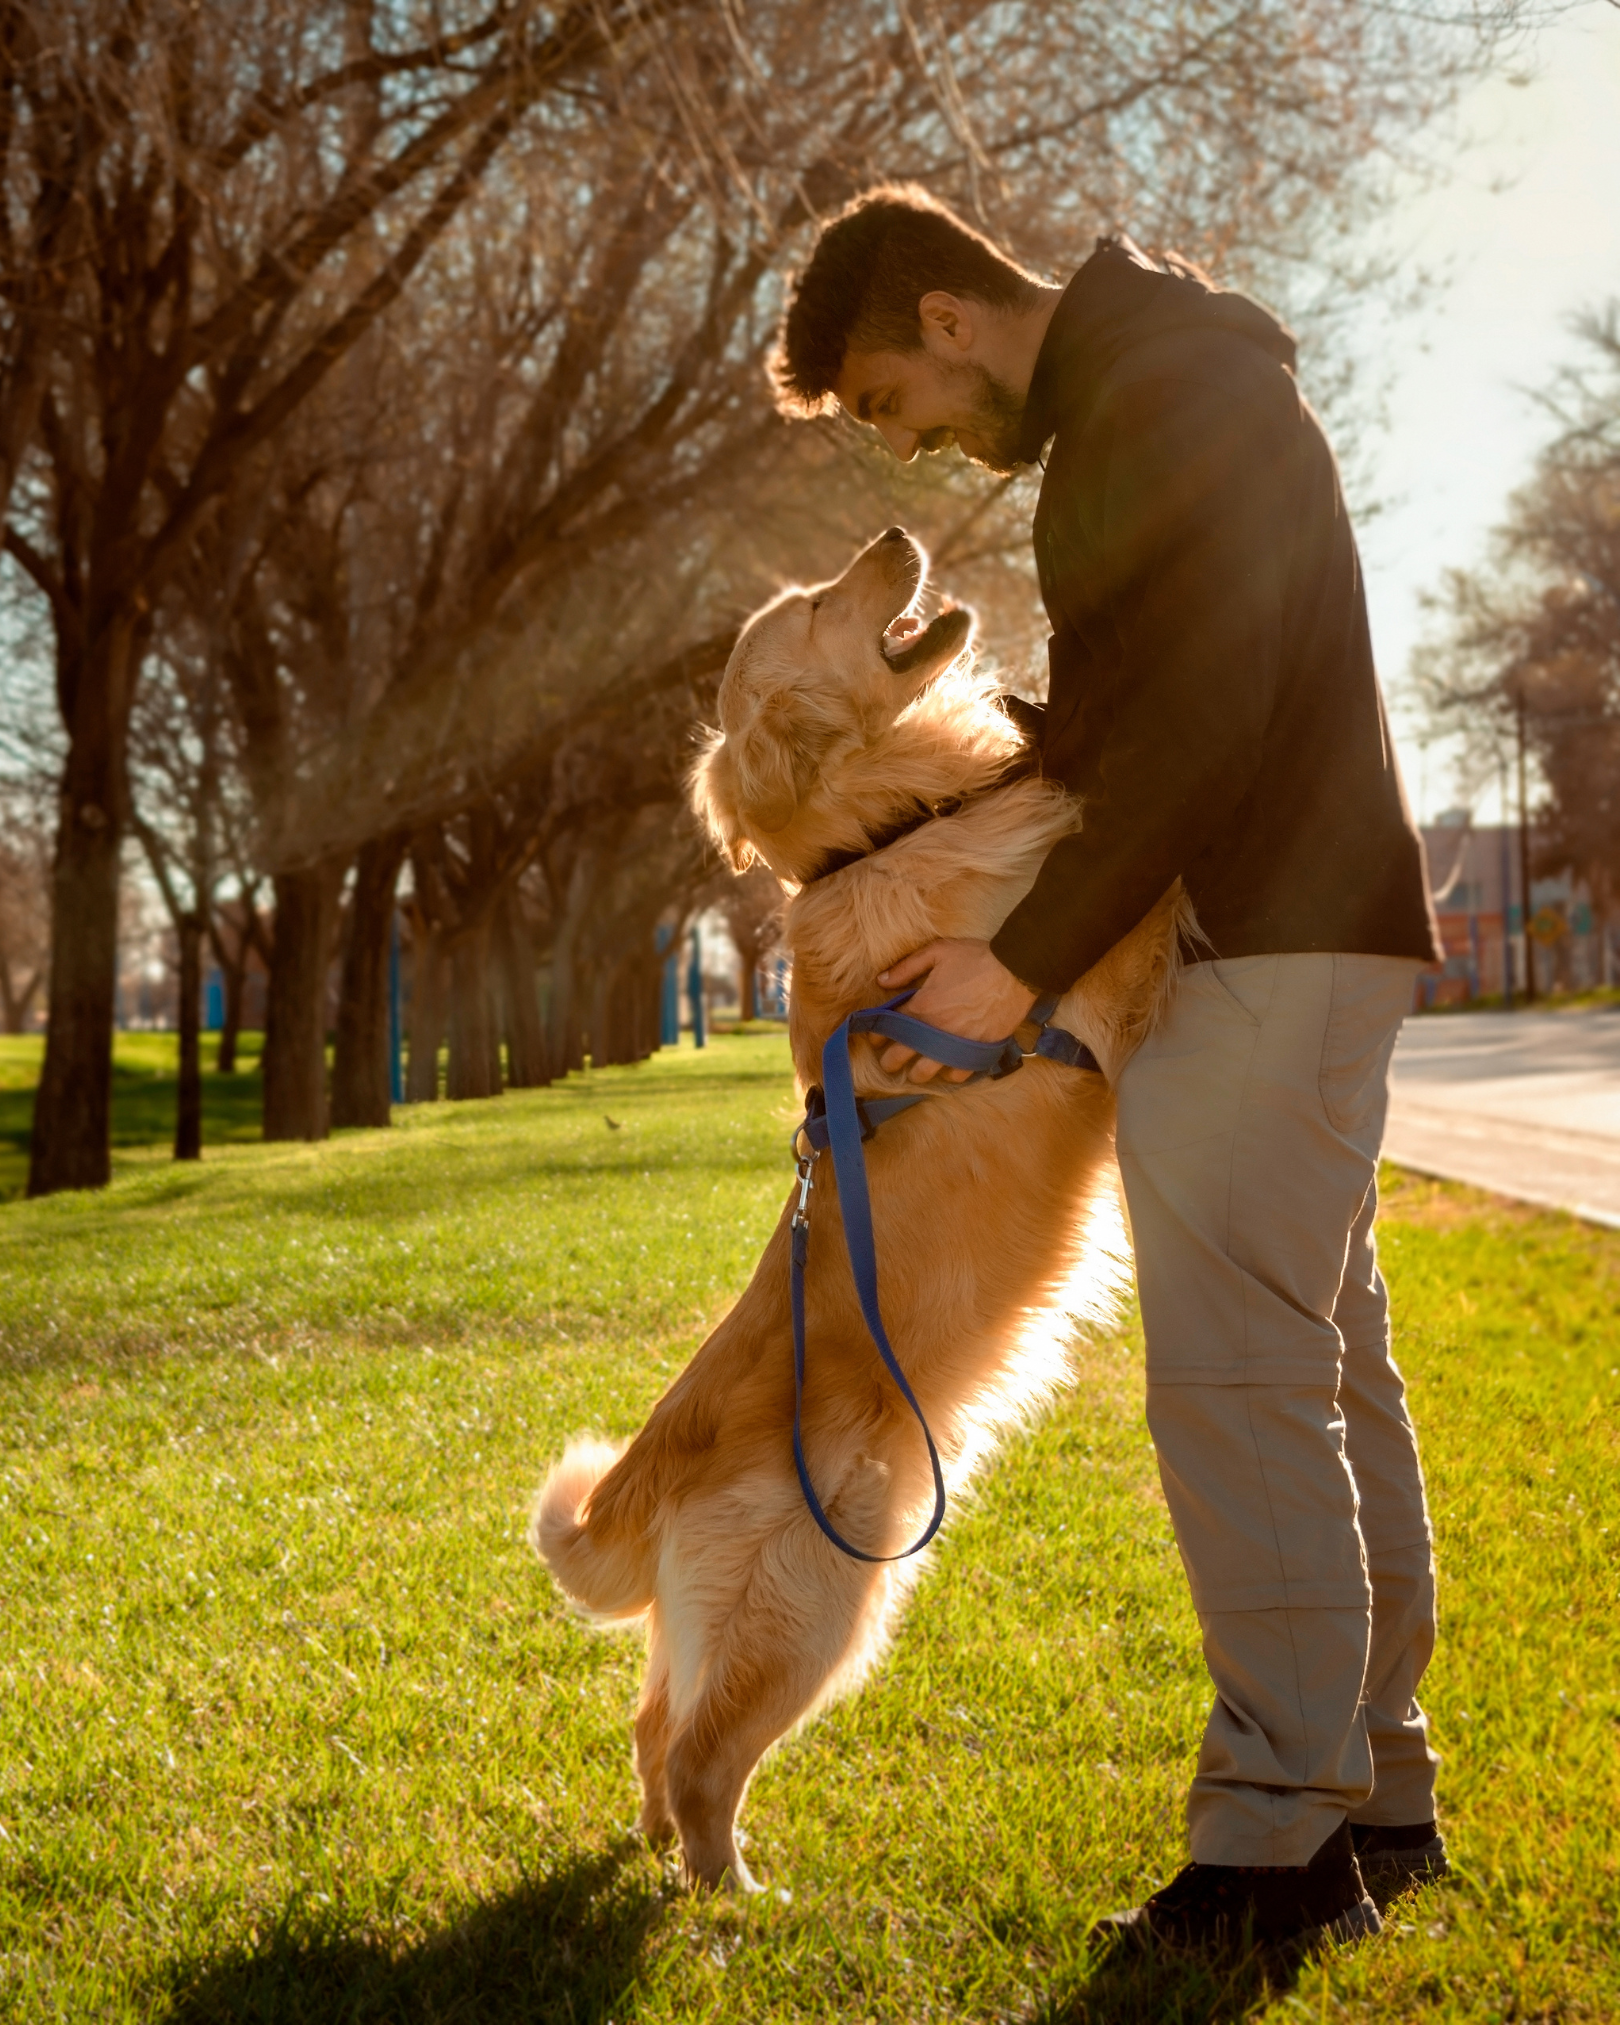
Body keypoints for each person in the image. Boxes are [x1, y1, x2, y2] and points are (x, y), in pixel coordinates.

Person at [772, 185, 1446, 1954]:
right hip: (1282, 923)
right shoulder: (1149, 396)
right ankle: (1378, 1791)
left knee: (1236, 1384)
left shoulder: (1165, 395)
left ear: (944, 317)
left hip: (1262, 927)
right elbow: (1131, 719)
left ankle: (1274, 1846)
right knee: (1318, 1363)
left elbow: (1209, 711)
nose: (914, 450)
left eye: (889, 408)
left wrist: (1019, 954)